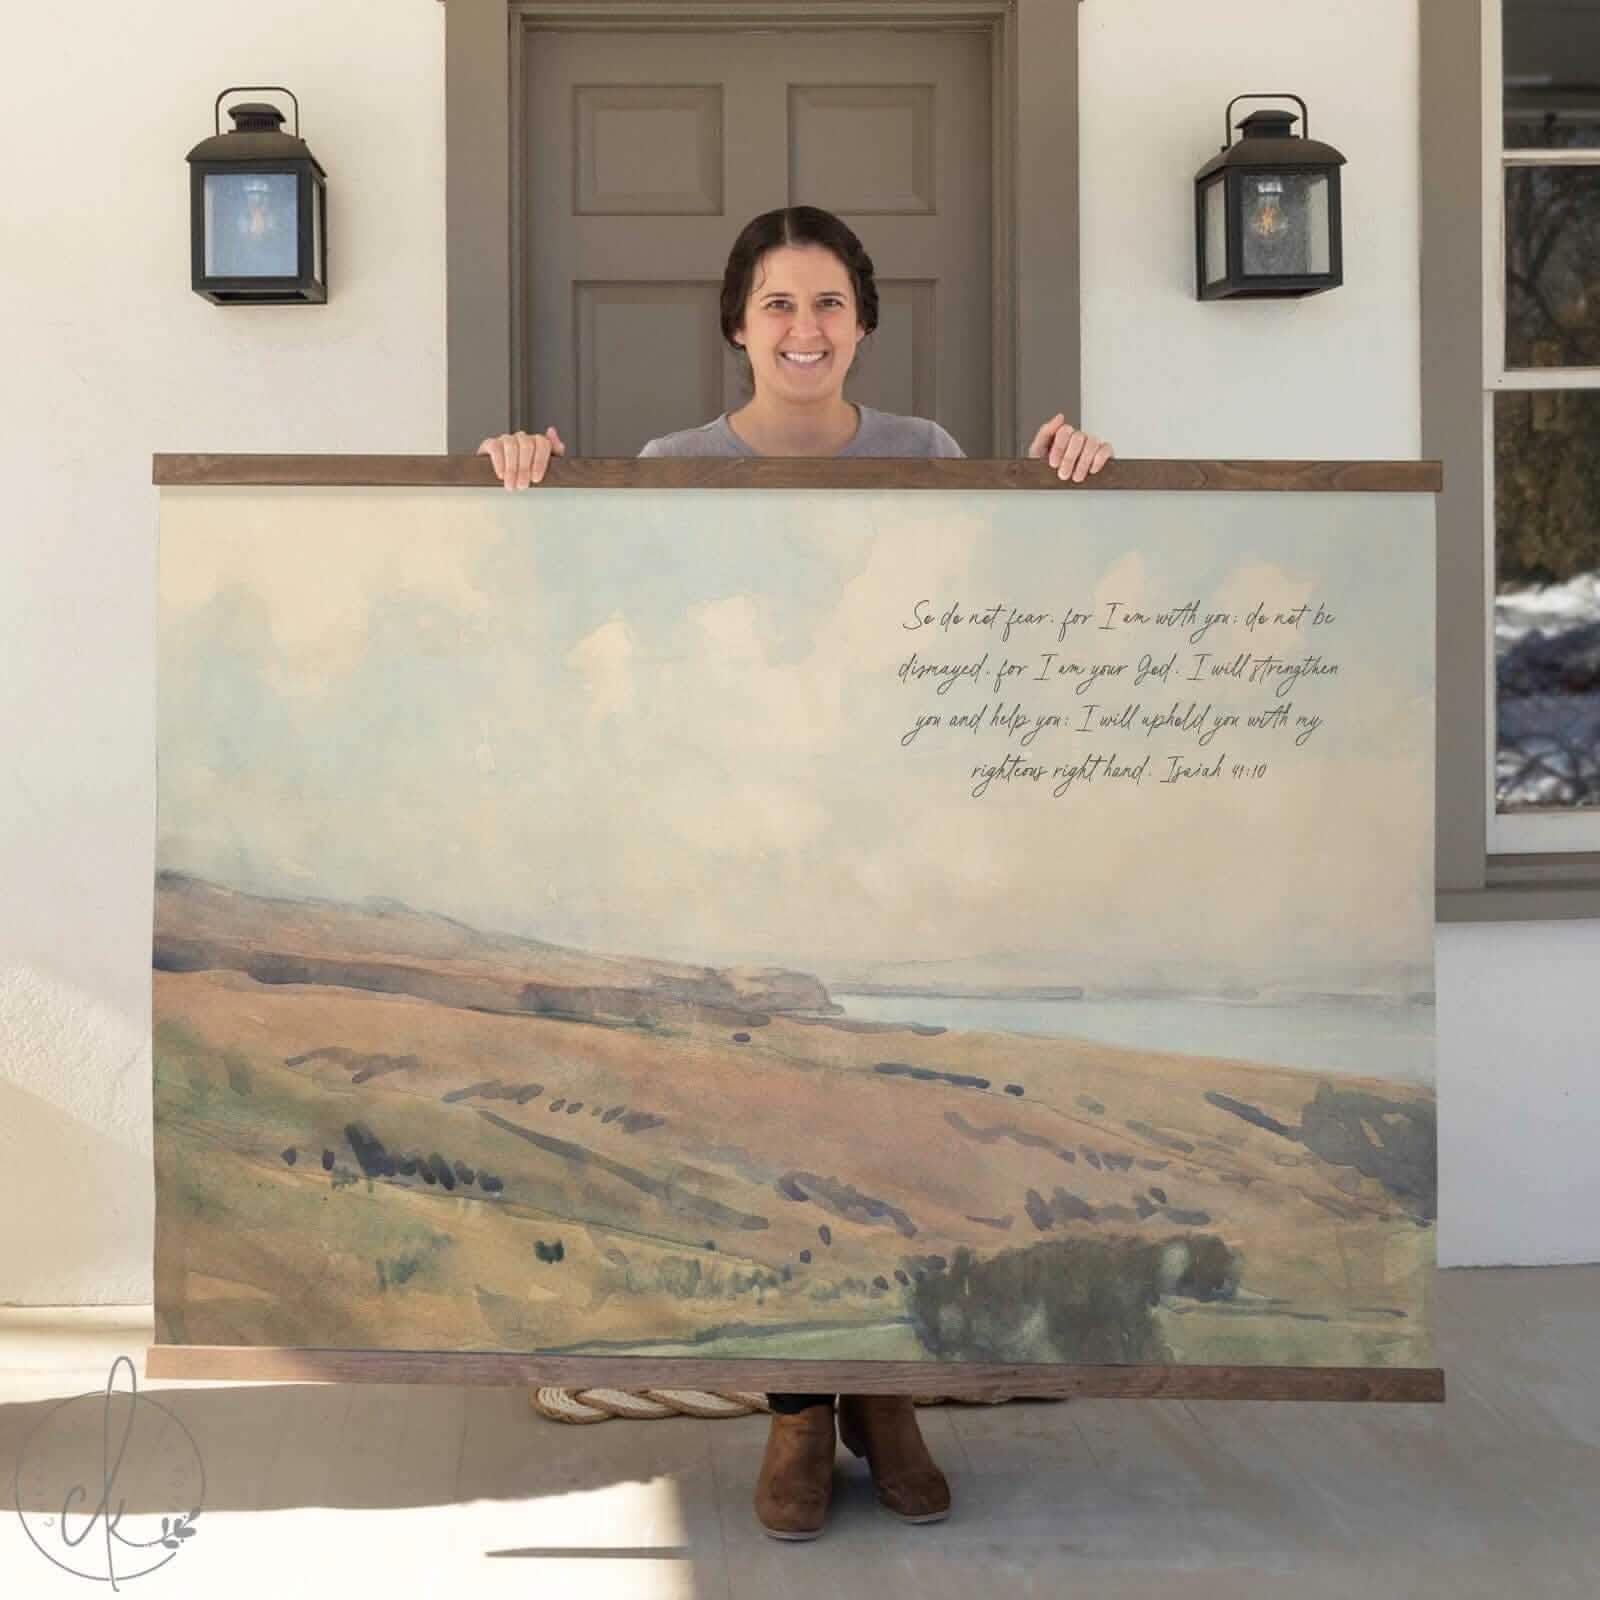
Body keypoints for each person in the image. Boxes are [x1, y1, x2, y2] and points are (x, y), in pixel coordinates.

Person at [480, 205, 1113, 1541]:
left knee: (886, 1115)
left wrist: (1068, 479)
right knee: (769, 1122)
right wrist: (531, 476)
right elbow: (602, 609)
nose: (804, 329)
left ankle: (889, 1400)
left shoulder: (930, 456)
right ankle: (796, 1411)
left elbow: (1001, 596)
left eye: (827, 302)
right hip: (732, 821)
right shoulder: (667, 464)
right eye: (777, 303)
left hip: (891, 830)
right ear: (736, 325)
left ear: (865, 322)